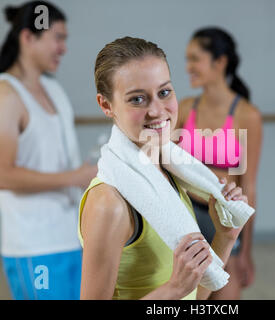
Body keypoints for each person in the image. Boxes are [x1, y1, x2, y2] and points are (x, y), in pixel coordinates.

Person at [78, 36, 248, 300]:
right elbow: (179, 292)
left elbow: (194, 297)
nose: (157, 111)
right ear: (106, 105)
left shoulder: (170, 175)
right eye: (137, 99)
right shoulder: (109, 204)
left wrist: (225, 237)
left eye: (164, 92)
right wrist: (173, 289)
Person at [0, 1, 97, 300]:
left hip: (72, 237)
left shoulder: (54, 90)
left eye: (65, 39)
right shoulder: (3, 95)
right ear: (28, 38)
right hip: (34, 246)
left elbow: (55, 160)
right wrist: (75, 177)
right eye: (57, 38)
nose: (63, 48)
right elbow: (2, 176)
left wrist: (86, 172)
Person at [176, 27, 262, 299]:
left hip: (224, 223)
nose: (188, 67)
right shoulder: (185, 108)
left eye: (194, 59)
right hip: (184, 218)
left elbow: (248, 186)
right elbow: (160, 160)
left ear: (220, 62)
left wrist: (245, 250)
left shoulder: (247, 115)